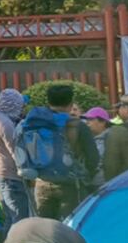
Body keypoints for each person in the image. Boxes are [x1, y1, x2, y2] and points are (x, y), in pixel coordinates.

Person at [21, 85, 98, 220]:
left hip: (42, 183)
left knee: (46, 228)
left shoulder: (35, 123)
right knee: (70, 226)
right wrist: (86, 176)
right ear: (70, 104)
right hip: (70, 183)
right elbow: (93, 157)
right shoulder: (78, 125)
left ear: (49, 102)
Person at [0, 89, 32, 226]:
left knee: (9, 219)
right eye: (20, 105)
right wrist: (29, 173)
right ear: (13, 104)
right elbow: (17, 153)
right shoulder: (5, 124)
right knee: (19, 220)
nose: (21, 108)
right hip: (10, 177)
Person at [83, 107, 111, 188]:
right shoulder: (89, 138)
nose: (87, 122)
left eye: (91, 119)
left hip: (103, 184)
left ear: (102, 122)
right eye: (87, 120)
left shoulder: (110, 138)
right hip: (91, 183)